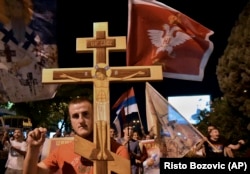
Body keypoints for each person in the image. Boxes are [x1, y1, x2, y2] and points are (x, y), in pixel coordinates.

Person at [23, 96, 130, 174]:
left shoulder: (117, 150)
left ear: (95, 116)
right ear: (71, 121)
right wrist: (33, 148)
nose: (81, 120)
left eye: (85, 114)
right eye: (75, 116)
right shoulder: (61, 150)